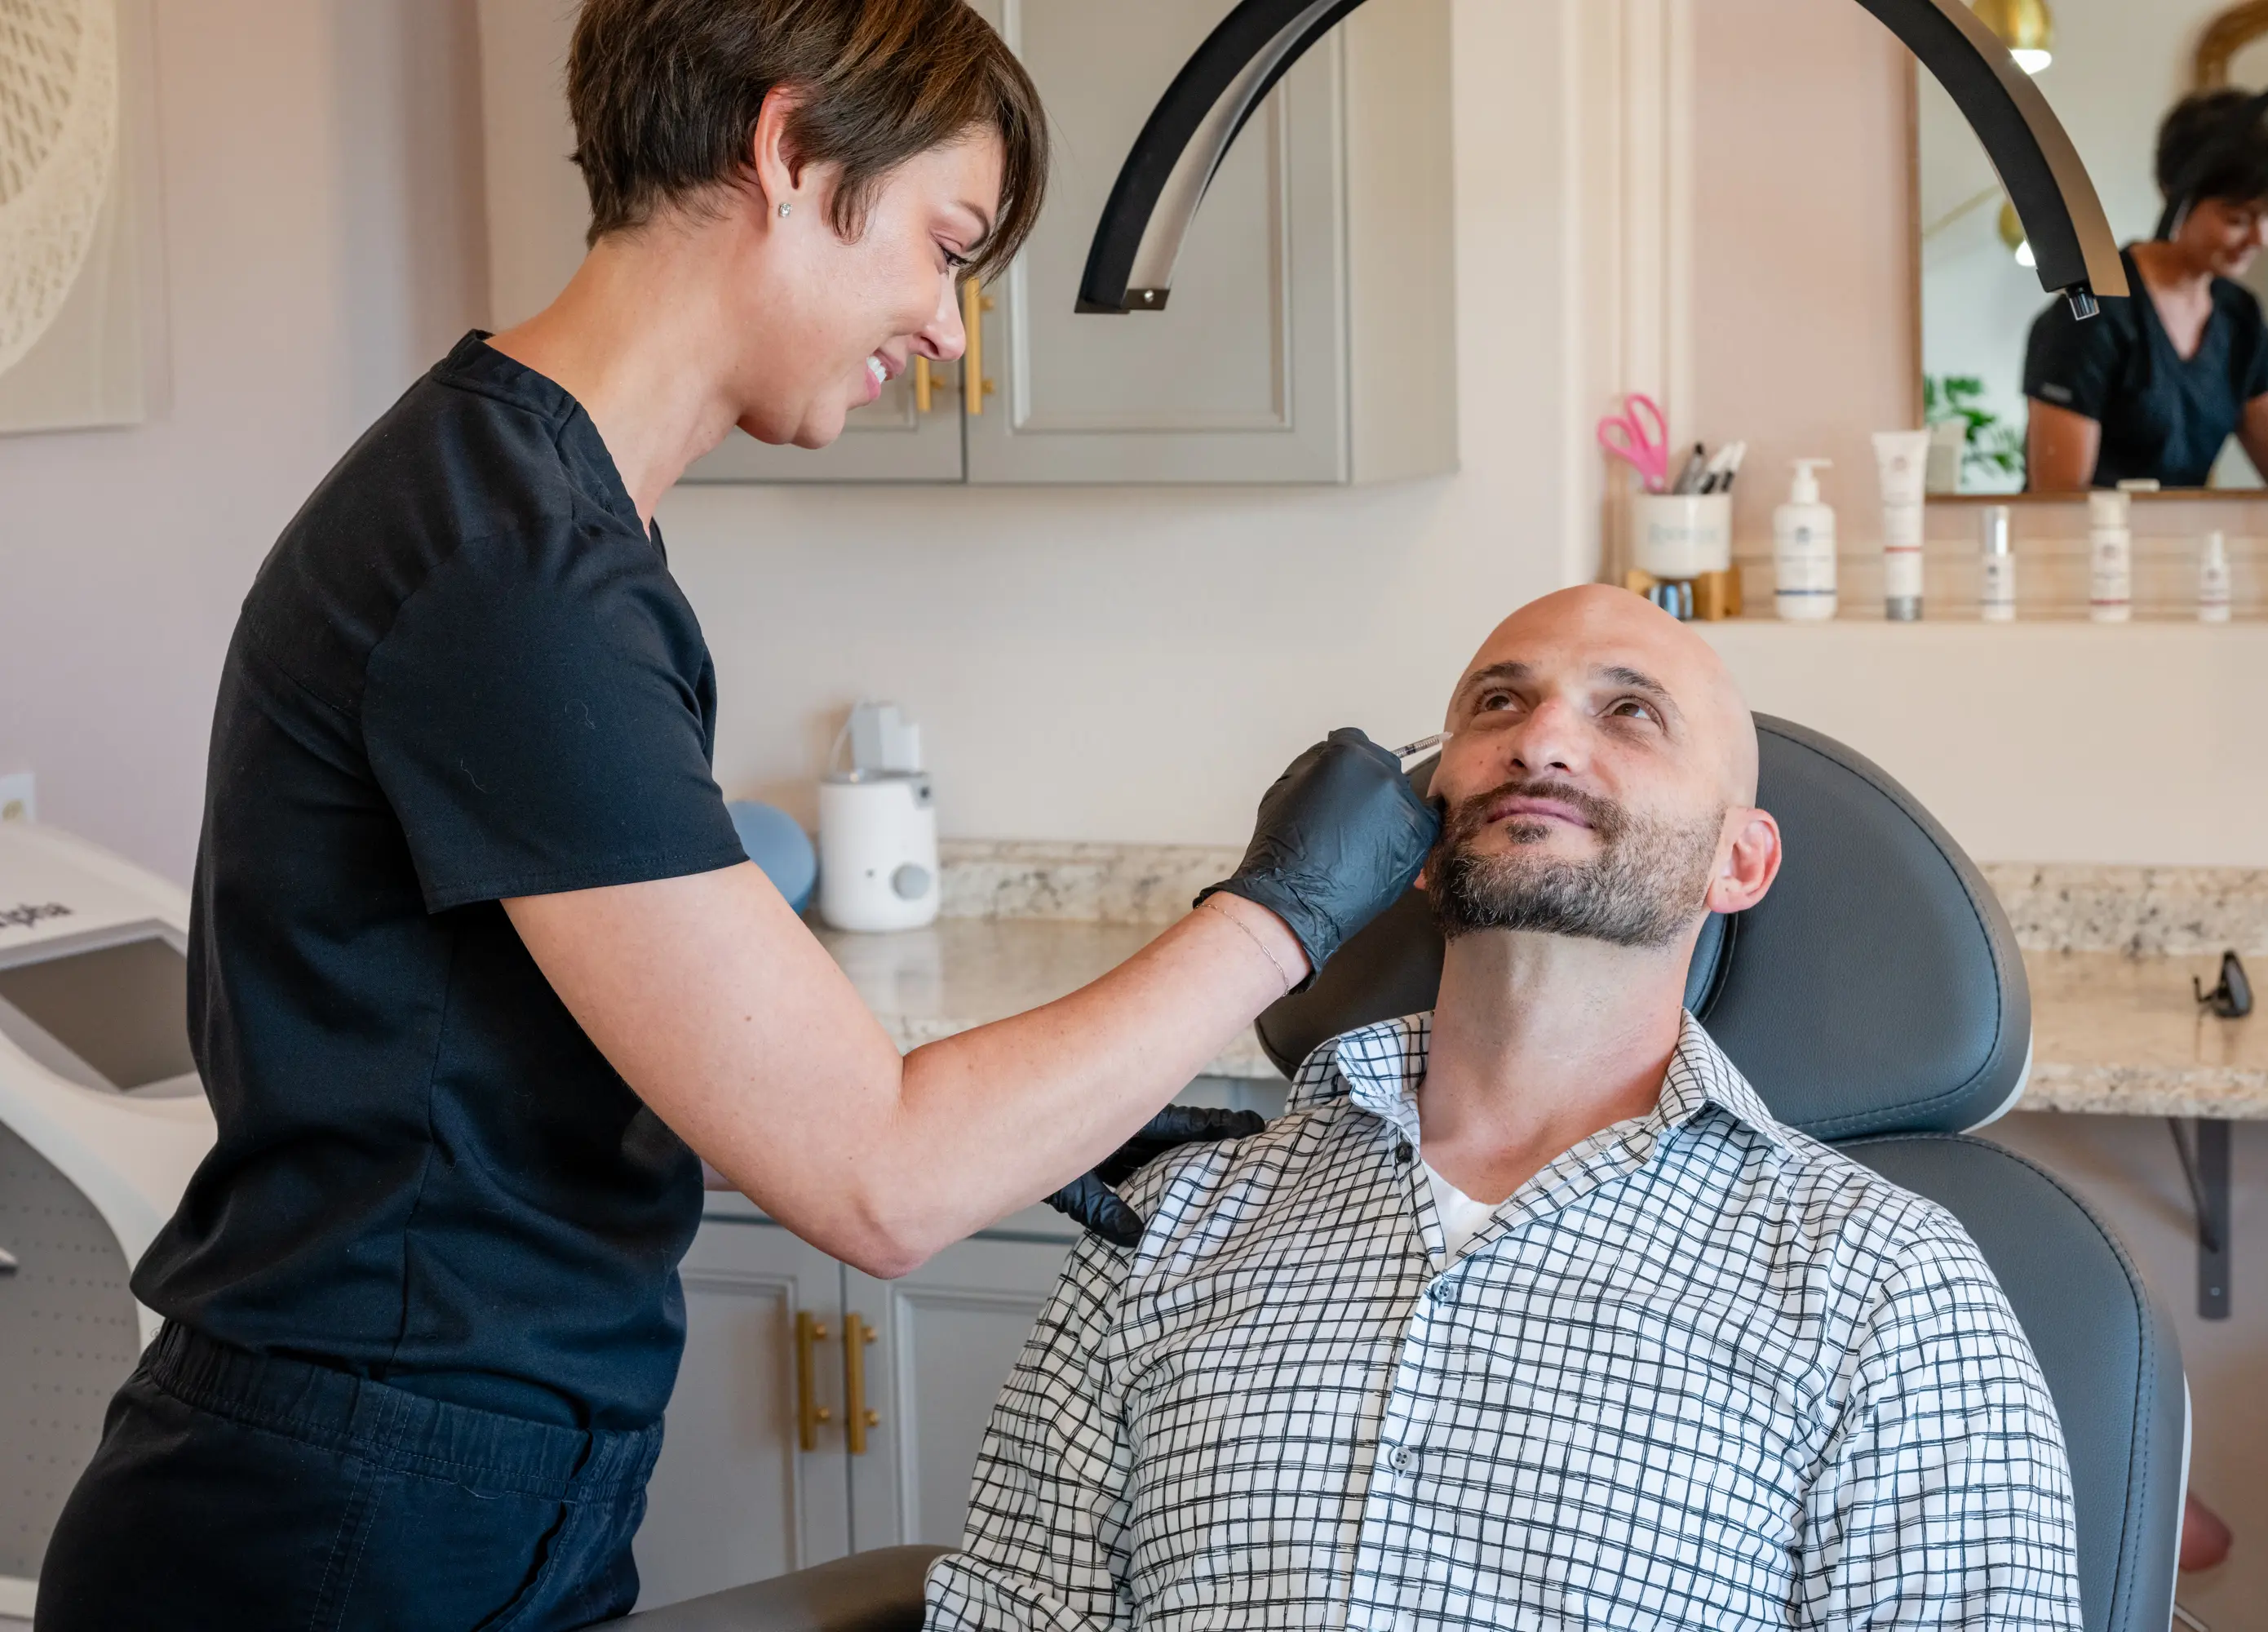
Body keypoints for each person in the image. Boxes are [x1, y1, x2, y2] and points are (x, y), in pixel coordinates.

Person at [33, 4, 1437, 1630]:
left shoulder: (540, 512)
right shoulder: (513, 572)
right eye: (944, 245)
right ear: (787, 151)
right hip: (342, 1526)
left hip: (460, 1485)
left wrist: (1052, 1109)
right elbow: (876, 1180)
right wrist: (1281, 912)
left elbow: (655, 1051)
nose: (948, 327)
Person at [928, 585, 2084, 1632]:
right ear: (1417, 842)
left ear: (1741, 862)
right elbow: (1008, 1611)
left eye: (1629, 714)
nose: (1539, 741)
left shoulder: (1881, 1283)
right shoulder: (1173, 1224)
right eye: (1498, 704)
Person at [2025, 88, 2268, 490]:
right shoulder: (2090, 312)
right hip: (2090, 549)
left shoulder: (2239, 316)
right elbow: (2059, 503)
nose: (2261, 238)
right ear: (2172, 193)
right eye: (2238, 218)